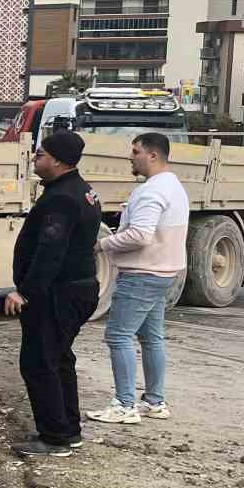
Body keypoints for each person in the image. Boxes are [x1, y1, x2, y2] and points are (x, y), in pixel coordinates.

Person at [5, 129, 103, 457]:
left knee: (39, 362)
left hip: (59, 294)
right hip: (77, 289)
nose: (35, 158)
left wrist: (25, 292)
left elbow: (51, 251)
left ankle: (55, 437)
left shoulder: (61, 197)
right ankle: (68, 430)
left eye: (41, 154)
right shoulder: (83, 191)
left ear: (58, 161)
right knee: (59, 359)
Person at [87, 132, 189, 425]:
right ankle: (155, 401)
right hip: (163, 272)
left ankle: (124, 404)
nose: (130, 157)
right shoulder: (174, 186)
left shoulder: (151, 191)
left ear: (152, 155)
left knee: (118, 336)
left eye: (135, 151)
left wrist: (102, 244)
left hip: (142, 273)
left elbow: (141, 235)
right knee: (151, 337)